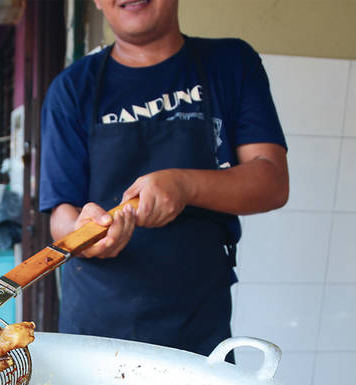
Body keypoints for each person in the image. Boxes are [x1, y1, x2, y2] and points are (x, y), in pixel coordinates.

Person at [39, 0, 289, 356]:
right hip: (96, 325)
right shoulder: (72, 88)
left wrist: (185, 185)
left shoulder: (232, 63)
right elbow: (61, 217)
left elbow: (272, 182)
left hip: (197, 323)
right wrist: (84, 236)